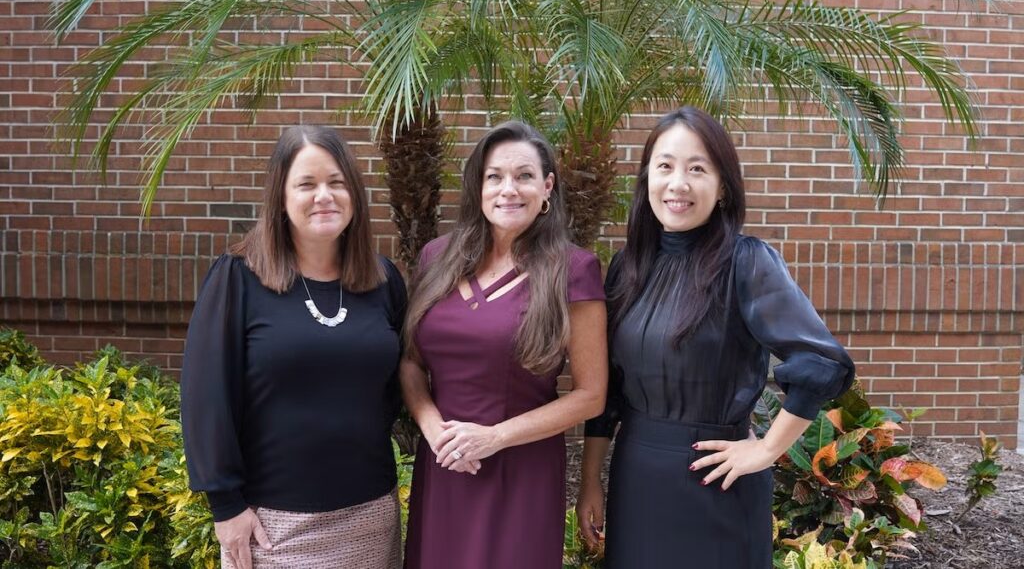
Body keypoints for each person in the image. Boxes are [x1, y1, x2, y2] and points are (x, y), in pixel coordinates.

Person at [576, 107, 856, 568]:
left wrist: (766, 450)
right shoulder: (629, 267)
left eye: (697, 168)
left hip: (716, 481)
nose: (678, 183)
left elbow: (822, 362)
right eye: (665, 166)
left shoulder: (747, 263)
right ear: (647, 178)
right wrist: (591, 480)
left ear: (723, 186)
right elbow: (605, 393)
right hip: (637, 478)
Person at [180, 125, 406, 569]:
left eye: (337, 182)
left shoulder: (383, 280)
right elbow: (206, 397)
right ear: (280, 198)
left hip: (371, 513)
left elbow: (393, 388)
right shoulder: (238, 277)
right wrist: (225, 506)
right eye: (307, 184)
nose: (324, 195)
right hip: (273, 524)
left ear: (354, 195)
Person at [400, 121, 607, 569]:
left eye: (524, 176)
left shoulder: (574, 269)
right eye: (494, 176)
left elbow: (591, 396)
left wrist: (494, 437)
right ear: (478, 185)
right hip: (445, 465)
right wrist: (434, 429)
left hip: (521, 471)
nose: (508, 189)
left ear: (547, 186)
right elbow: (412, 364)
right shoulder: (436, 259)